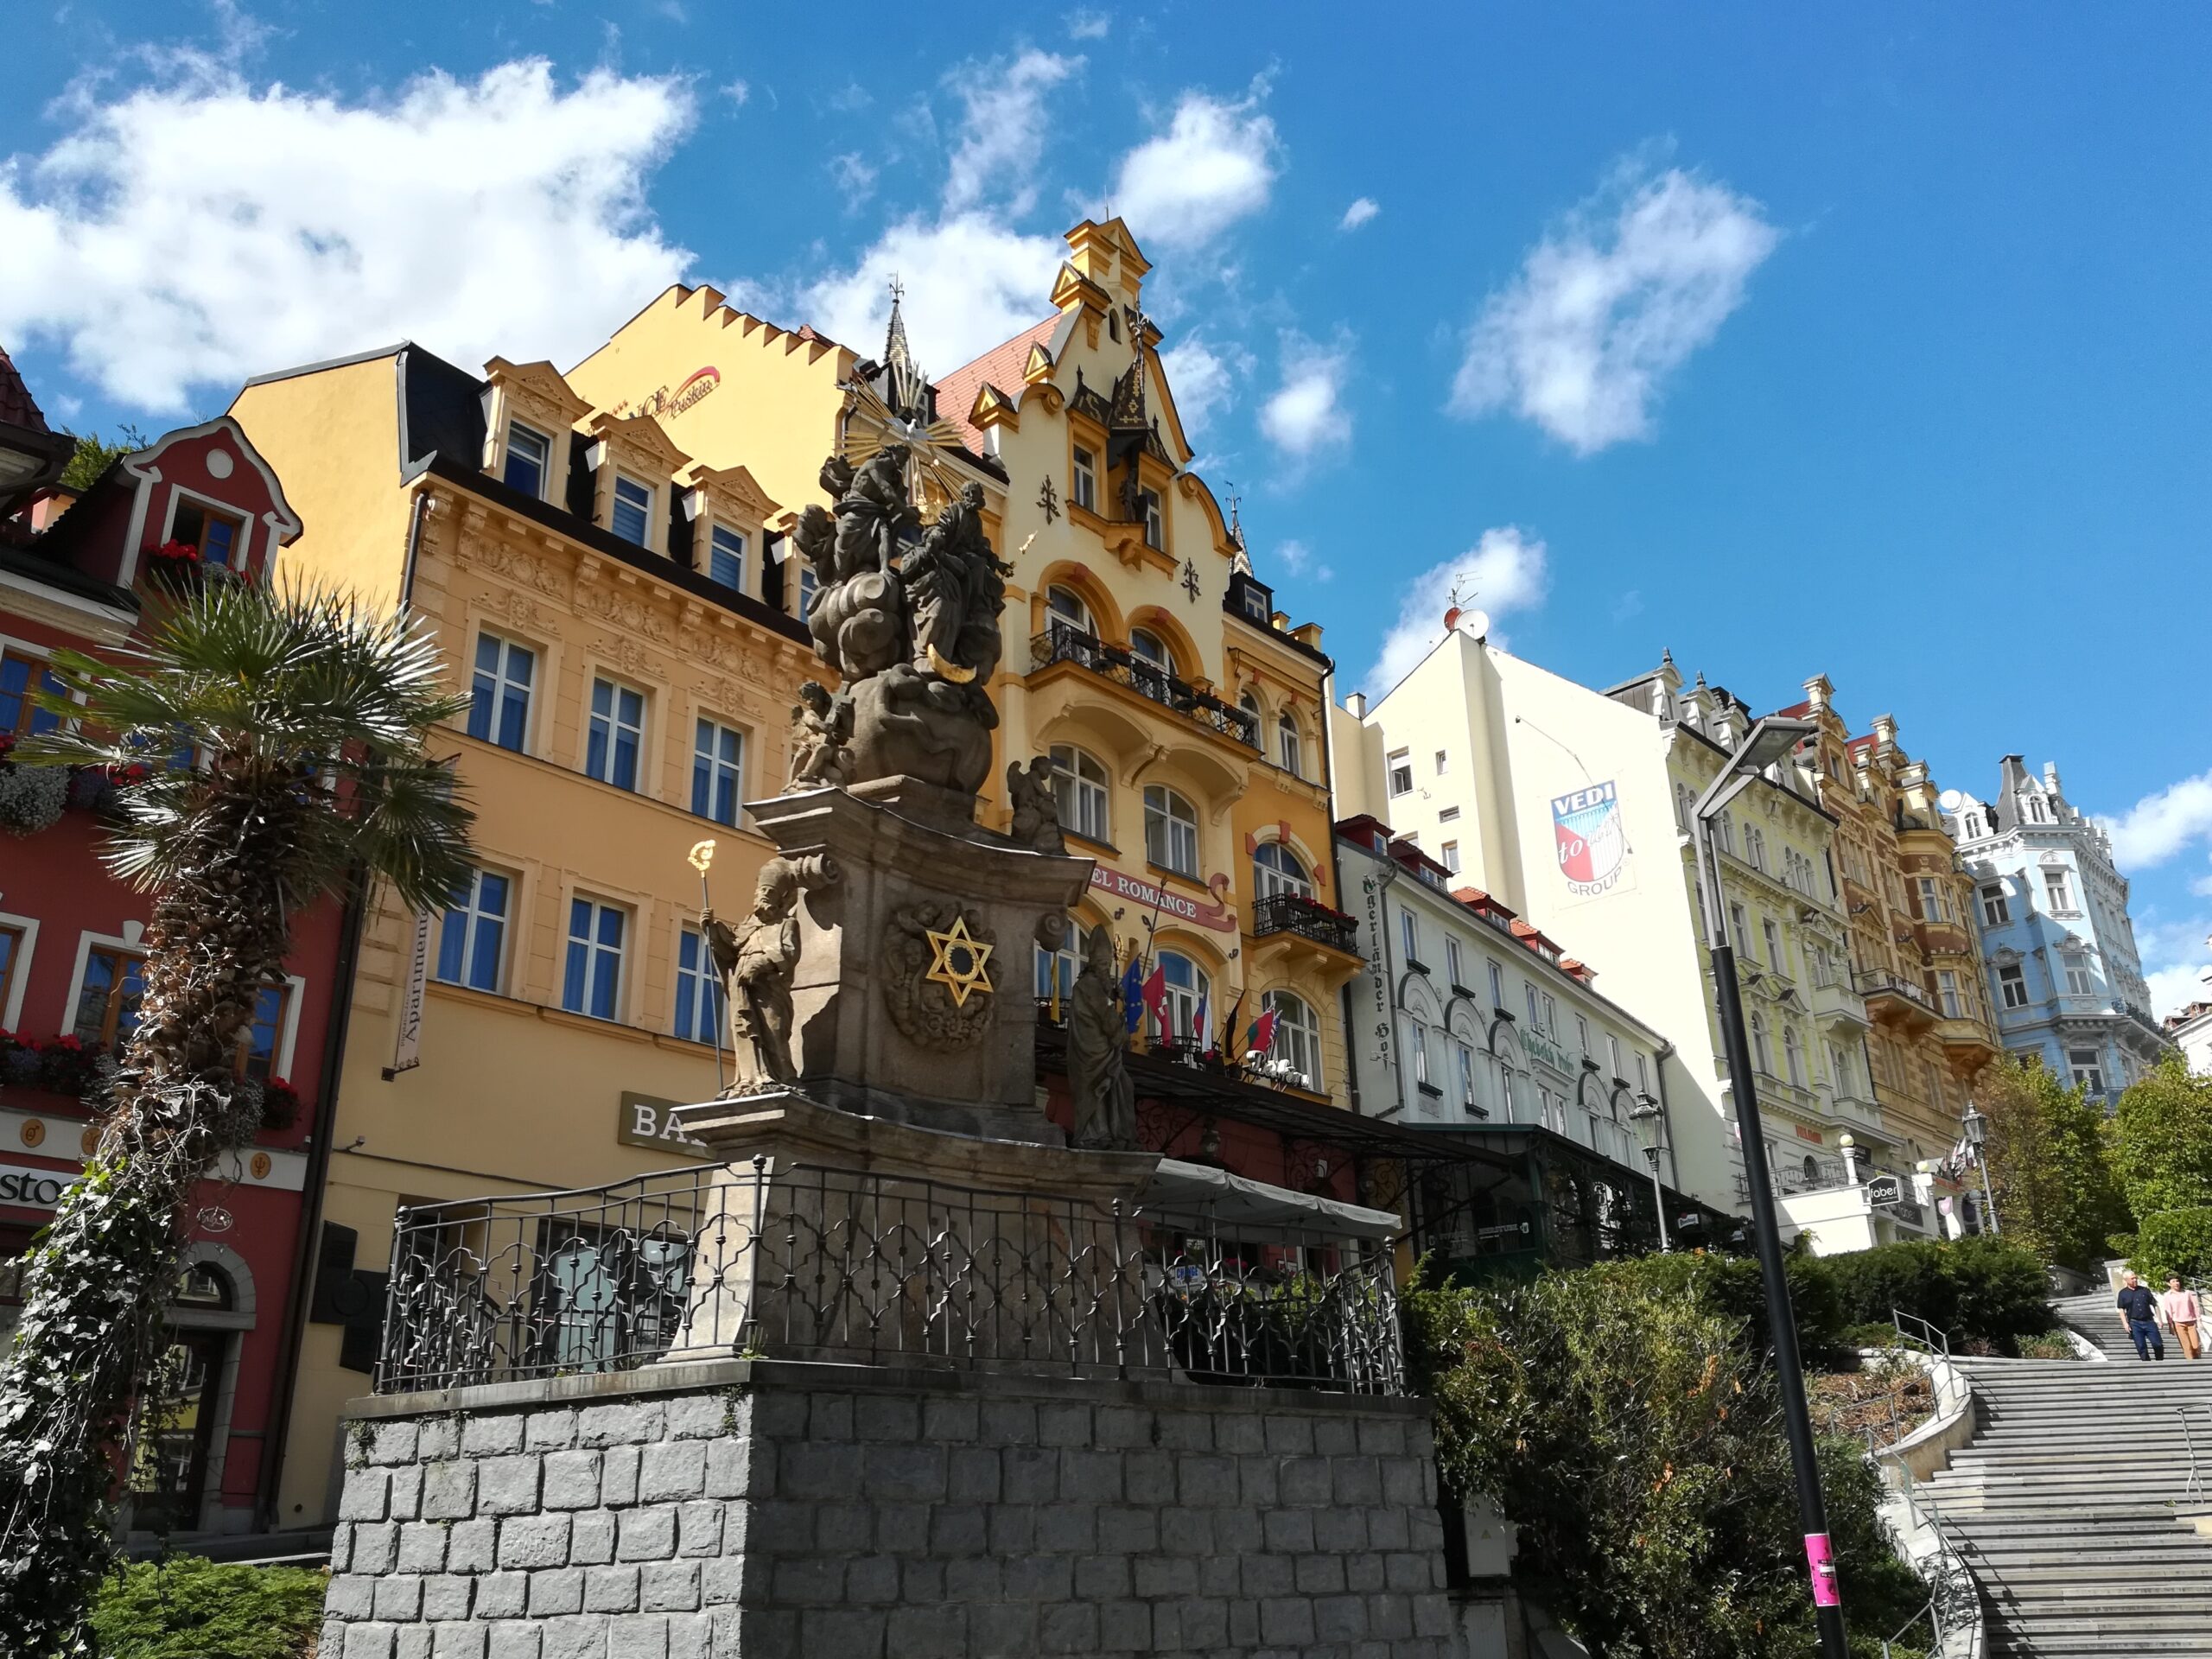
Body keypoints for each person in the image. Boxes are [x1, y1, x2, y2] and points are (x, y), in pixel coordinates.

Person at [2117, 1270, 2165, 1361]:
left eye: (2136, 1278)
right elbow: (2121, 1309)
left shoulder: (2144, 1290)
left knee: (2158, 1343)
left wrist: (2160, 1319)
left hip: (2149, 1321)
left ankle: (2160, 1360)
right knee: (2141, 1346)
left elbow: (2155, 1304)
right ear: (2126, 1280)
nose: (2135, 1280)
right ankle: (2147, 1364)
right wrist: (2125, 1324)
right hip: (2135, 1323)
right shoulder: (2122, 1293)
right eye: (2132, 1279)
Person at [2163, 1274, 2202, 1360]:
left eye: (2177, 1281)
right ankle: (2191, 1364)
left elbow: (2195, 1306)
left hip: (2191, 1322)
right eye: (2173, 1281)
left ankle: (2198, 1358)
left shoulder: (2187, 1293)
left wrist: (2199, 1320)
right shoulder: (2168, 1295)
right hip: (2178, 1323)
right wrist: (2170, 1325)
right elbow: (2168, 1311)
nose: (2176, 1283)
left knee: (2196, 1345)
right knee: (2187, 1346)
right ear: (2169, 1284)